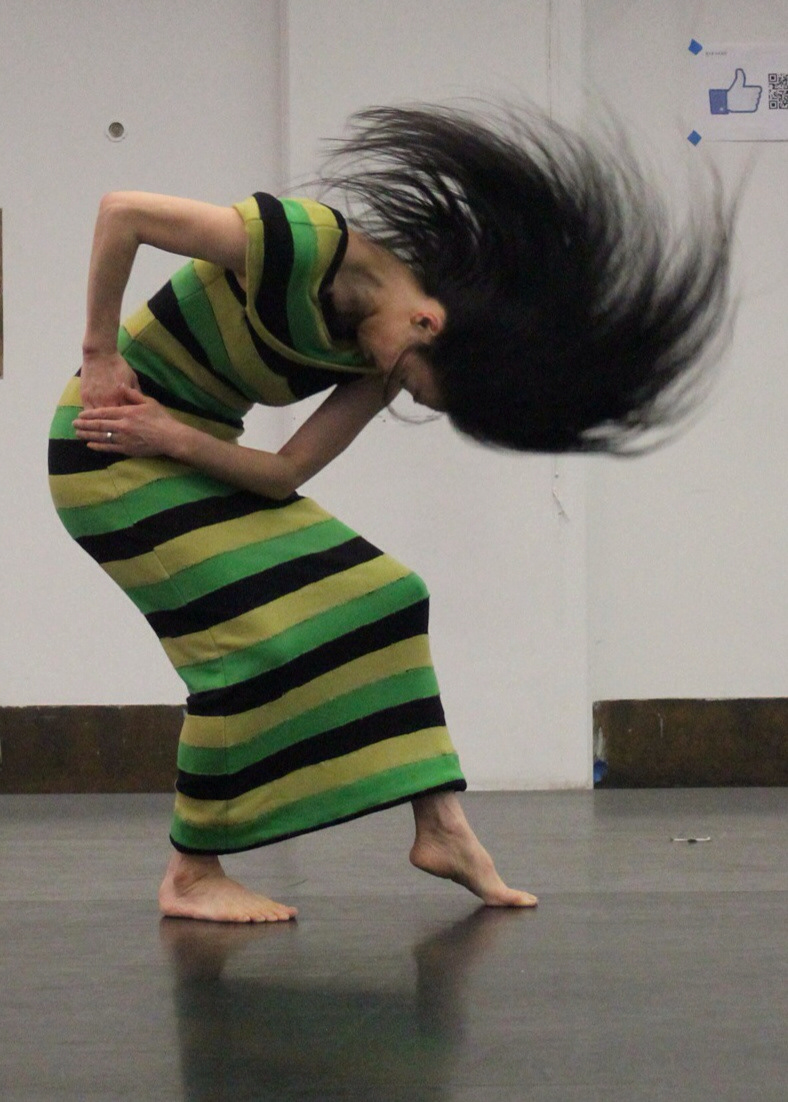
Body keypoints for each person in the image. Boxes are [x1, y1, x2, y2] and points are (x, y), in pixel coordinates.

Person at [48, 104, 732, 922]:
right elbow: (123, 213)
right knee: (240, 647)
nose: (395, 388)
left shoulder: (375, 352)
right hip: (108, 450)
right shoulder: (301, 245)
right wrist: (100, 353)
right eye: (411, 382)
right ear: (426, 321)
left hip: (181, 451)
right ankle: (192, 873)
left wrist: (179, 438)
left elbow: (283, 473)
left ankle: (442, 828)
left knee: (389, 595)